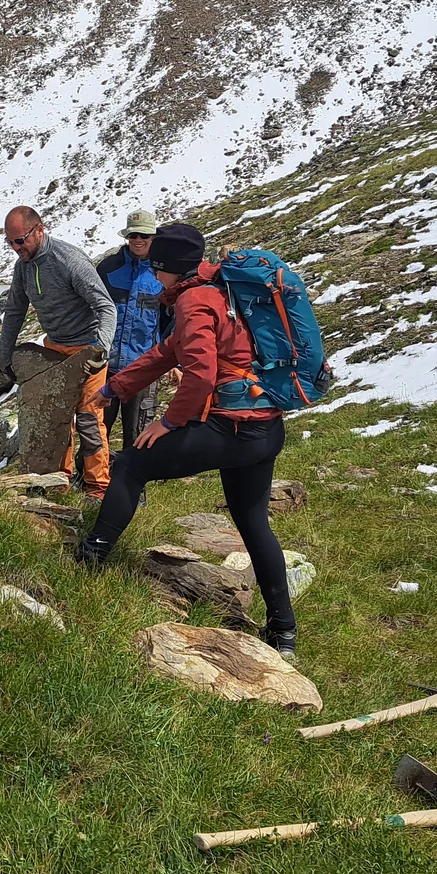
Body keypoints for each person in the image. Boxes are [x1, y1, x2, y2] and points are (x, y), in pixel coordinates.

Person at [76, 221, 297, 657]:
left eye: (157, 265)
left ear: (169, 267)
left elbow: (199, 373)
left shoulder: (194, 301)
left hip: (230, 430)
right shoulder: (219, 290)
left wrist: (169, 423)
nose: (154, 273)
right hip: (265, 428)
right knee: (253, 521)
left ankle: (90, 559)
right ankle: (283, 632)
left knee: (129, 463)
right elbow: (167, 352)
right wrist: (113, 389)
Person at [0, 205, 118, 498]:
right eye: (10, 242)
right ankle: (58, 482)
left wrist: (99, 349)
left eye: (20, 240)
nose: (16, 248)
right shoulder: (22, 266)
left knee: (89, 419)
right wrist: (4, 356)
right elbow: (14, 311)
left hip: (87, 352)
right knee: (55, 419)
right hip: (54, 350)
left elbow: (105, 307)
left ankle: (97, 489)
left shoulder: (69, 261)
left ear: (39, 229)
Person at [95, 209, 164, 449]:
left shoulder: (162, 271)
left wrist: (175, 363)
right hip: (105, 368)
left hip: (143, 369)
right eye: (133, 234)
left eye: (144, 235)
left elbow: (171, 320)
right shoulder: (108, 268)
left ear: (153, 238)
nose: (138, 240)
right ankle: (88, 483)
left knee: (139, 436)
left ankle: (134, 486)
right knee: (96, 432)